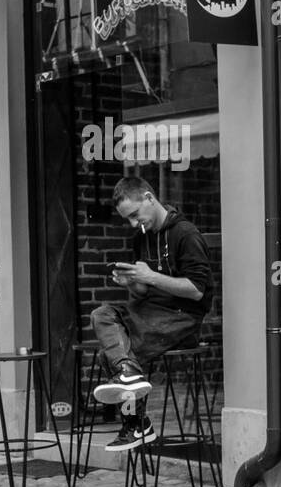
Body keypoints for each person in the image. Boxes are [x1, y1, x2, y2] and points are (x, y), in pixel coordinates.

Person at [91, 176, 213, 451]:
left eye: (135, 215)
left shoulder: (186, 234)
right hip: (150, 313)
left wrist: (151, 276)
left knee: (113, 354)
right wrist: (133, 283)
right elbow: (143, 294)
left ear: (149, 197)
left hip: (183, 317)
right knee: (102, 314)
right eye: (128, 220)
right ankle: (133, 394)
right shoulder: (142, 239)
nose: (134, 224)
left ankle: (136, 425)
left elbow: (196, 290)